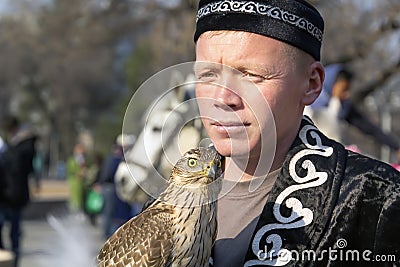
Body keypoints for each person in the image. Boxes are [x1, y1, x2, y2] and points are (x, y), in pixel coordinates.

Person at [192, 0, 400, 266]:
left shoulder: (375, 199)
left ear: (312, 84)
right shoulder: (165, 203)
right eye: (208, 74)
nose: (222, 98)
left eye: (251, 75)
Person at [304, 63, 400, 157]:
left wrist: (396, 147)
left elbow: (370, 128)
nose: (346, 94)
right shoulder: (307, 102)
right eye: (344, 89)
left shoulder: (343, 106)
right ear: (332, 83)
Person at [0, 116, 36, 267]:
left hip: (14, 195)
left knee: (14, 231)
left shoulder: (23, 147)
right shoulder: (10, 146)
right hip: (4, 194)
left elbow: (18, 167)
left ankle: (13, 261)